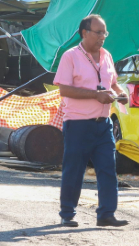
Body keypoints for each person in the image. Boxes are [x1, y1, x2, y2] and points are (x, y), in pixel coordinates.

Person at [55, 14, 129, 228]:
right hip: (78, 124)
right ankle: (67, 214)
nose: (102, 37)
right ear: (84, 32)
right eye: (98, 33)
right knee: (74, 170)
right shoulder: (70, 57)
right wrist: (94, 95)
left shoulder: (107, 56)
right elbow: (64, 89)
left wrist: (121, 93)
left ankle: (106, 214)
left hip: (103, 124)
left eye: (104, 33)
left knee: (108, 169)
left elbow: (113, 84)